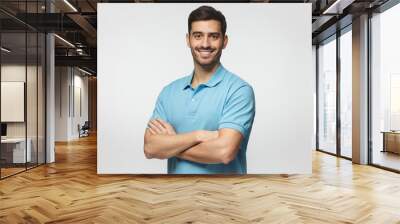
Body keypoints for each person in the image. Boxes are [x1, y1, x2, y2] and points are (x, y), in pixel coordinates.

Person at [143, 5, 255, 174]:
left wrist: (172, 144)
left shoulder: (239, 90)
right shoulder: (169, 92)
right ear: (188, 40)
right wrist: (199, 135)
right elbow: (150, 147)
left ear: (224, 41)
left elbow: (224, 152)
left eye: (214, 36)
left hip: (225, 197)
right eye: (198, 36)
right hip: (176, 195)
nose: (205, 43)